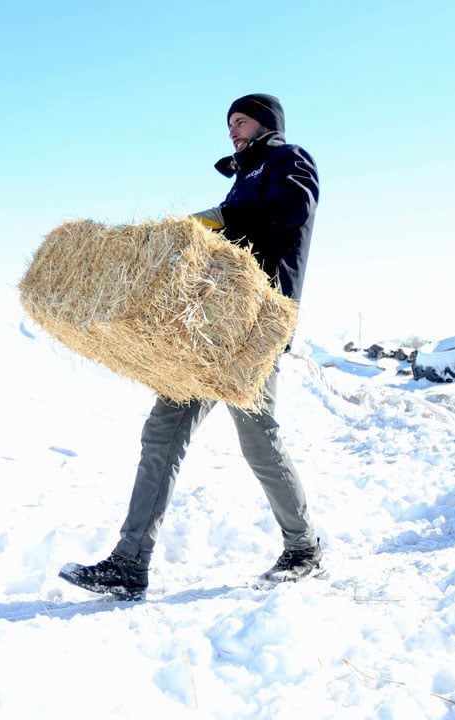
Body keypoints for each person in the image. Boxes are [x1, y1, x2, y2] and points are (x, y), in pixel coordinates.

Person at [59, 93, 322, 600]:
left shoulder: (289, 160)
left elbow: (292, 208)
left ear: (266, 123)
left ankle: (303, 546)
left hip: (254, 327)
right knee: (161, 433)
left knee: (259, 438)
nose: (233, 131)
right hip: (207, 332)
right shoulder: (243, 177)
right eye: (229, 125)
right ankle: (128, 563)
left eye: (241, 122)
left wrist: (221, 217)